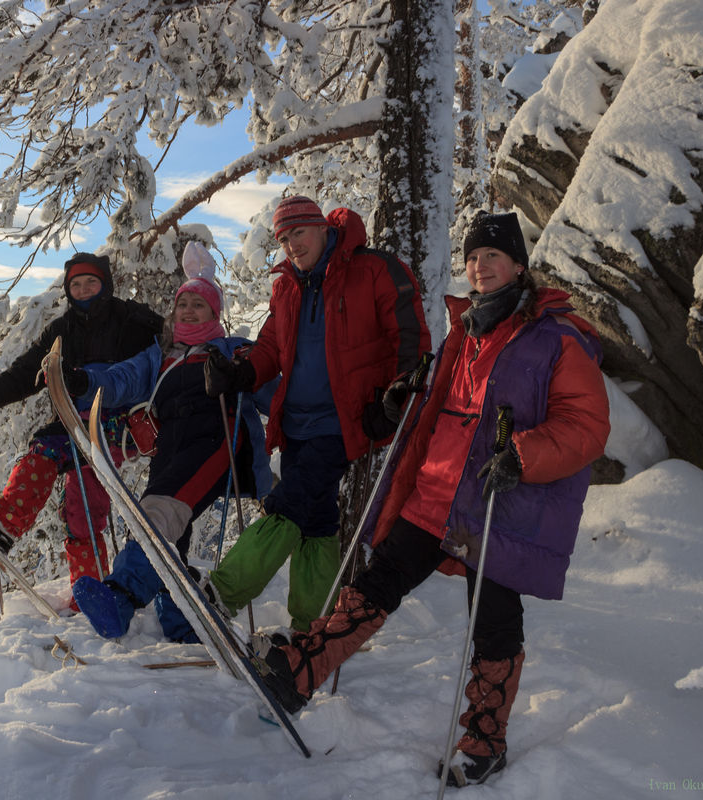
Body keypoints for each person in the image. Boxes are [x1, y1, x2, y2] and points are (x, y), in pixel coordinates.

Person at [253, 211, 611, 787]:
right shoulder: (463, 333)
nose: (480, 266)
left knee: (492, 618)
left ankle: (485, 739)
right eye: (473, 258)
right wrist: (404, 399)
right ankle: (299, 676)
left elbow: (587, 424)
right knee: (375, 585)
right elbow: (441, 407)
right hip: (436, 492)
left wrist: (524, 454)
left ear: (519, 265)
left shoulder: (557, 338)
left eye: (493, 256)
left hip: (500, 502)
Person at [202, 195, 431, 631]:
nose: (291, 246)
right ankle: (313, 624)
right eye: (283, 239)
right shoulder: (287, 284)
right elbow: (271, 346)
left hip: (345, 421)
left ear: (323, 227)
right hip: (296, 423)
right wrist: (240, 373)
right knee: (317, 518)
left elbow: (409, 336)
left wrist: (397, 396)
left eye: (298, 233)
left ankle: (222, 594)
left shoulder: (373, 270)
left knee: (289, 503)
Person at [66, 242, 273, 642]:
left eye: (200, 305)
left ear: (216, 314)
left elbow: (270, 385)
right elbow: (121, 378)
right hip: (169, 448)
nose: (189, 311)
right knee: (162, 525)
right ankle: (183, 618)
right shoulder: (162, 355)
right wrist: (86, 382)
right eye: (183, 305)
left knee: (158, 515)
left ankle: (121, 599)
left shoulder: (231, 349)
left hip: (215, 441)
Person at [0, 253, 162, 599]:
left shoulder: (132, 323)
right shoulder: (61, 331)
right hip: (72, 424)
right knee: (81, 507)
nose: (83, 290)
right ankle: (91, 593)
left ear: (106, 285)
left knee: (49, 451)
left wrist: (86, 382)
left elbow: (138, 375)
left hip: (116, 425)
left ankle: (5, 523)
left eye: (91, 282)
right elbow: (25, 373)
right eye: (76, 285)